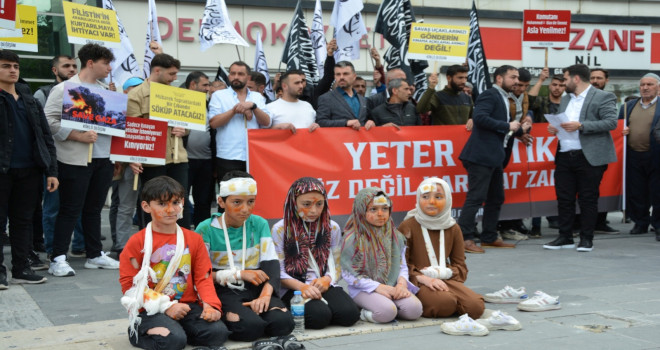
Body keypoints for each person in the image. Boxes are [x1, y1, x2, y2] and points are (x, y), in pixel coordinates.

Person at [119, 176, 229, 350]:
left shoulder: (194, 239)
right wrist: (166, 306)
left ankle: (175, 329)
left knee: (218, 333)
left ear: (183, 202)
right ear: (146, 206)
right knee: (173, 341)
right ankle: (139, 331)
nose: (171, 210)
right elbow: (130, 286)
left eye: (175, 202)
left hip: (187, 305)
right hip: (150, 309)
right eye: (162, 204)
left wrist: (211, 305)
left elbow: (203, 277)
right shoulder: (137, 242)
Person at [45, 43, 120, 277]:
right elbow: (48, 121)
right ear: (91, 63)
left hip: (102, 158)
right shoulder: (65, 89)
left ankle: (94, 254)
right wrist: (77, 135)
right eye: (105, 63)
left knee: (94, 209)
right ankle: (57, 258)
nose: (109, 68)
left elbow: (114, 125)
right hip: (75, 159)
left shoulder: (105, 92)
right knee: (70, 209)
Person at [195, 171, 294, 342]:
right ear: (221, 201)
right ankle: (241, 316)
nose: (245, 209)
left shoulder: (259, 223)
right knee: (250, 328)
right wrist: (239, 274)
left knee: (283, 324)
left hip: (256, 286)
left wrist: (265, 295)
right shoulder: (206, 229)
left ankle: (253, 313)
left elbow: (271, 263)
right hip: (223, 288)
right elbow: (200, 275)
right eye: (237, 202)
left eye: (251, 202)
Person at [543, 64, 618, 252]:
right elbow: (565, 123)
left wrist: (581, 126)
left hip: (589, 156)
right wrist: (556, 128)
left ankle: (586, 238)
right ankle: (565, 237)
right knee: (564, 198)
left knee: (588, 198)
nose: (563, 83)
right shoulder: (566, 98)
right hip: (564, 153)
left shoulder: (603, 96)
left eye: (566, 79)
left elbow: (610, 122)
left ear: (576, 79)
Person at [0, 50, 58, 287]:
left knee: (23, 221)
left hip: (30, 171)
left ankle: (22, 268)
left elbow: (45, 137)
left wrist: (52, 171)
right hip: (2, 171)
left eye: (15, 66)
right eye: (6, 66)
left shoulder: (30, 101)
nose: (13, 70)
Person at [271, 177, 360, 329]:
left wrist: (328, 279)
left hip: (323, 283)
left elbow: (337, 265)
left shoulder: (332, 228)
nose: (314, 210)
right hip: (294, 288)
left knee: (350, 315)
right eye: (306, 204)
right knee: (319, 317)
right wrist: (302, 287)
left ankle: (324, 308)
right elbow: (278, 272)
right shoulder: (280, 229)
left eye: (319, 204)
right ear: (294, 203)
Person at [457, 65, 529, 254]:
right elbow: (480, 118)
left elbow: (507, 127)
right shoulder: (490, 95)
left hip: (494, 156)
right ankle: (464, 238)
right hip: (481, 155)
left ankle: (489, 236)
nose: (516, 81)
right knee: (476, 197)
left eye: (517, 78)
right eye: (512, 77)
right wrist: (508, 125)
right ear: (499, 78)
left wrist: (520, 130)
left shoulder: (505, 98)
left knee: (496, 197)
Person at [398, 178, 485, 320]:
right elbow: (400, 265)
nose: (431, 202)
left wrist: (446, 272)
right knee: (444, 303)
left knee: (475, 307)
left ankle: (449, 299)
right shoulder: (408, 226)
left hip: (445, 278)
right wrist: (424, 277)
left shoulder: (453, 227)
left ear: (448, 199)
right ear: (418, 198)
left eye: (438, 197)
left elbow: (461, 266)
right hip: (418, 281)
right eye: (425, 197)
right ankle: (446, 300)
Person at [340, 187, 423, 324]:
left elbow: (401, 265)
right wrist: (378, 287)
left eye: (385, 208)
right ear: (361, 210)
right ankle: (364, 312)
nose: (380, 214)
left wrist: (401, 285)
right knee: (386, 312)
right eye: (373, 209)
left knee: (415, 310)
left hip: (393, 286)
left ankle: (387, 305)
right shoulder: (352, 238)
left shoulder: (395, 236)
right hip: (364, 289)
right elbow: (349, 274)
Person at [127, 53, 191, 229]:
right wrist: (133, 158)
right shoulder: (136, 95)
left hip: (178, 158)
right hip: (152, 161)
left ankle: (183, 245)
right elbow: (132, 130)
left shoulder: (177, 94)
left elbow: (189, 123)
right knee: (154, 205)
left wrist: (184, 130)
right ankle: (151, 245)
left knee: (179, 204)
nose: (175, 78)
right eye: (171, 74)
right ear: (157, 70)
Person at [208, 61, 271, 189]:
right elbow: (213, 123)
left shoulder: (257, 97)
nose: (236, 77)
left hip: (254, 156)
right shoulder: (219, 96)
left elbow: (267, 122)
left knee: (252, 195)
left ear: (248, 78)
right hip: (228, 156)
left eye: (240, 74)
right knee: (229, 196)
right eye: (233, 73)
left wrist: (253, 107)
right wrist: (234, 110)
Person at [620, 73, 660, 238]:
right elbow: (617, 125)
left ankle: (658, 225)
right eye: (642, 85)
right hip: (633, 155)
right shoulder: (629, 105)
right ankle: (640, 223)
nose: (645, 88)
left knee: (657, 192)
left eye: (649, 84)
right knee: (637, 191)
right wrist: (621, 131)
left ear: (658, 87)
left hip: (656, 155)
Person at [110, 77, 145, 255]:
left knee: (147, 206)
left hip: (148, 163)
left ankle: (146, 244)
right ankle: (121, 246)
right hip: (126, 166)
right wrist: (129, 158)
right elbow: (115, 137)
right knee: (125, 206)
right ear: (126, 91)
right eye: (135, 88)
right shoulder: (117, 110)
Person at [183, 71, 214, 228]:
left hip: (206, 162)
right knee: (181, 199)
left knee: (203, 201)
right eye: (205, 85)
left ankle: (202, 235)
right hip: (184, 160)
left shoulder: (209, 104)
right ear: (193, 85)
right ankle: (183, 233)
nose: (208, 88)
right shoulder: (178, 101)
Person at [316, 61, 374, 130]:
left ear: (354, 76)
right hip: (338, 140)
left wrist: (371, 122)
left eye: (345, 74)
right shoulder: (326, 98)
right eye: (338, 74)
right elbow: (321, 122)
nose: (341, 77)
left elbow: (367, 120)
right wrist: (346, 123)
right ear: (334, 76)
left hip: (361, 139)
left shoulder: (364, 100)